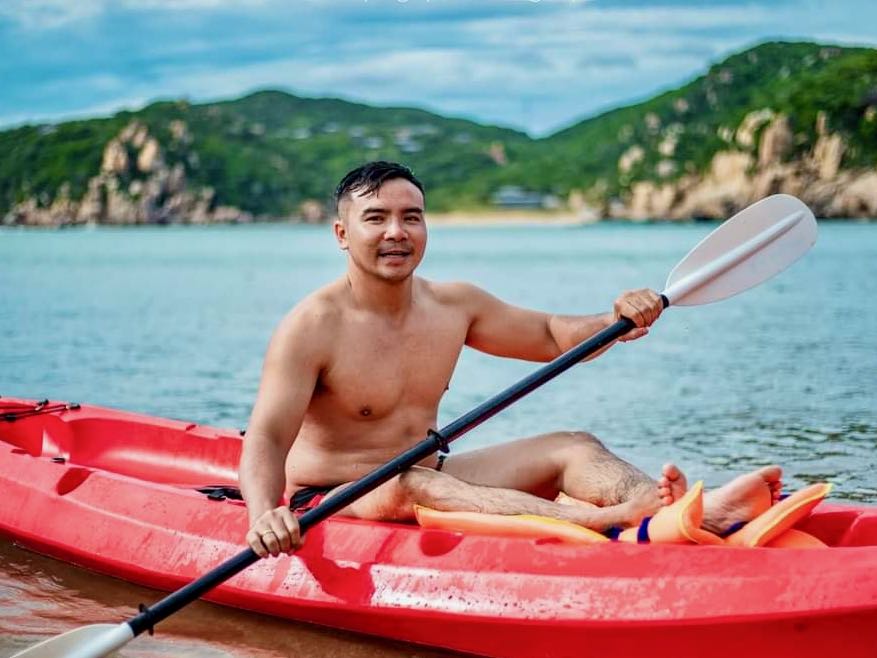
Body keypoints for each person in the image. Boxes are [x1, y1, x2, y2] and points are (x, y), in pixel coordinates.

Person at [239, 161, 782, 558]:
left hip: (435, 471)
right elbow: (265, 437)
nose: (396, 232)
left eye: (412, 217)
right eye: (375, 218)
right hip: (337, 497)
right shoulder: (312, 327)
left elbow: (549, 335)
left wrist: (615, 318)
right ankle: (614, 522)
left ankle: (682, 514)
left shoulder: (454, 305)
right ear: (342, 233)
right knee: (409, 484)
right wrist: (266, 515)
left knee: (573, 446)